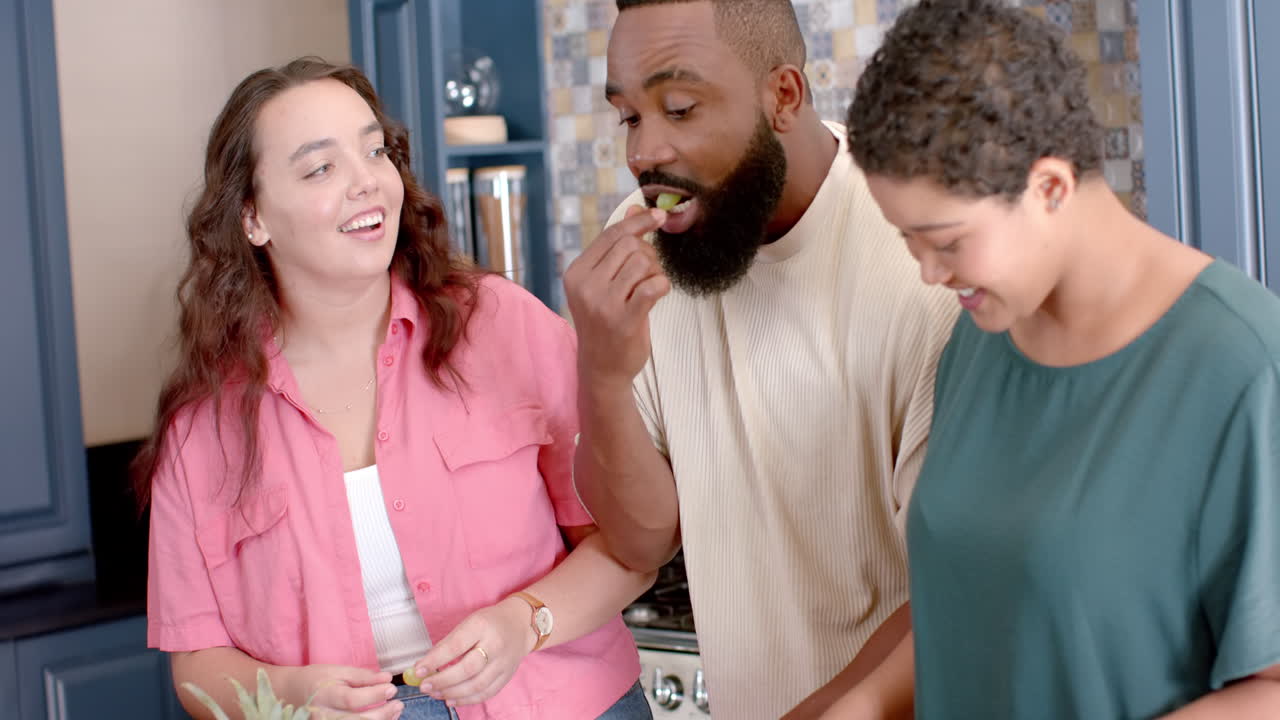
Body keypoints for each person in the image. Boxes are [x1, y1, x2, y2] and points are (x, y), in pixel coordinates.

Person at [137, 57, 655, 720]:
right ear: (252, 218)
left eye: (375, 151)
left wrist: (527, 623)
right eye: (321, 167)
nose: (368, 183)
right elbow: (197, 666)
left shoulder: (503, 325)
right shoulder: (199, 433)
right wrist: (295, 696)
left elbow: (628, 545)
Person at [825, 0, 1280, 717]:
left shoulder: (1242, 366)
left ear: (1049, 187)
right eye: (907, 240)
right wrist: (865, 703)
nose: (929, 274)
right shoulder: (977, 341)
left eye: (946, 241)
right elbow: (983, 607)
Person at [562, 1, 958, 717]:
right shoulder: (641, 249)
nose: (643, 153)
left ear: (783, 95)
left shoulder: (922, 262)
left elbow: (961, 593)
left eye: (679, 108)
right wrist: (602, 374)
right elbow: (640, 538)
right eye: (629, 116)